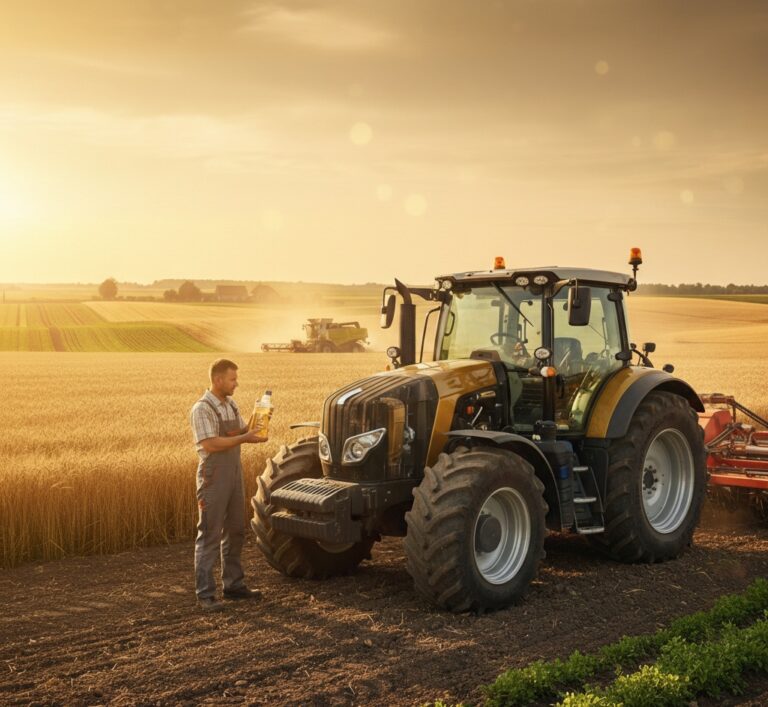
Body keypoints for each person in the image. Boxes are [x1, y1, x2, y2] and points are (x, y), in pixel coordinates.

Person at [190, 358, 267, 612]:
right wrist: (245, 437)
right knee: (210, 533)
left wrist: (255, 426)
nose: (236, 383)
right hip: (213, 475)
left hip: (234, 472)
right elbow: (211, 443)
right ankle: (205, 595)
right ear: (218, 380)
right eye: (232, 379)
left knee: (235, 530)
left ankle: (233, 585)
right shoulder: (202, 408)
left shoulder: (230, 404)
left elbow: (237, 433)